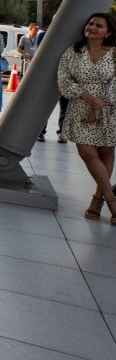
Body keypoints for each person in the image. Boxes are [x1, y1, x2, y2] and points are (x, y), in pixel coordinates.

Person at [56, 13, 116, 223]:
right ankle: (113, 201)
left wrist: (100, 105)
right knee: (87, 152)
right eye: (90, 23)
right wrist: (90, 100)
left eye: (99, 25)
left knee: (106, 151)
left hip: (110, 107)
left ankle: (97, 199)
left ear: (108, 32)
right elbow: (64, 80)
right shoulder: (73, 51)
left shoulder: (114, 53)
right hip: (81, 107)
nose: (92, 27)